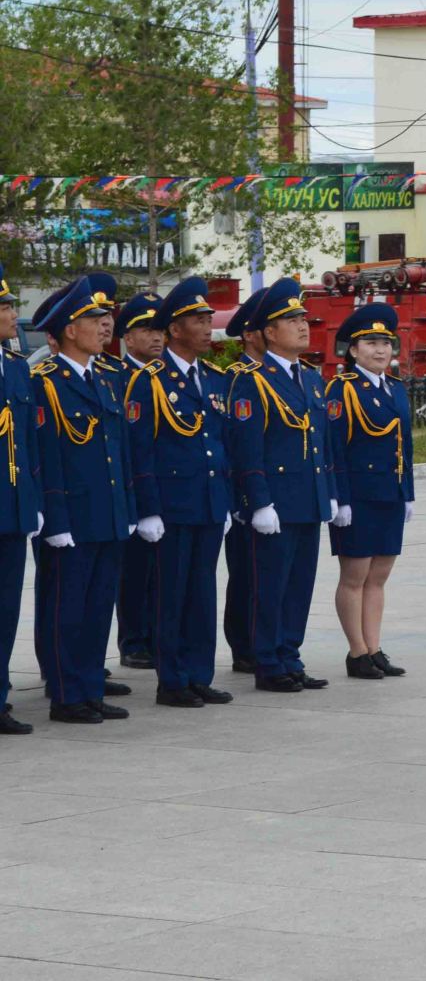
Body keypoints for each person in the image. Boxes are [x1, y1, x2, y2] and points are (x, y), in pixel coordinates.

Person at [124, 278, 235, 708]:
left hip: (207, 502)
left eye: (209, 319)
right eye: (197, 320)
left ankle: (198, 674)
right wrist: (148, 510)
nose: (208, 328)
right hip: (171, 507)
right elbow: (141, 449)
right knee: (170, 594)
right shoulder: (151, 381)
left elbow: (219, 444)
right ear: (173, 330)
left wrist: (224, 499)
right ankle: (172, 680)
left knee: (202, 593)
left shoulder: (212, 378)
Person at [31, 277, 135, 723]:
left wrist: (127, 509)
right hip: (70, 516)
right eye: (94, 319)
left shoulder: (107, 380)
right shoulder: (46, 382)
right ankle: (66, 692)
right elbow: (46, 458)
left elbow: (120, 452)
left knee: (97, 607)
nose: (105, 325)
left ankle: (90, 685)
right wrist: (55, 519)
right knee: (65, 607)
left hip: (106, 512)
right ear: (69, 330)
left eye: (106, 317)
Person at [229, 277, 339, 692]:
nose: (303, 326)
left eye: (303, 319)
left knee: (299, 585)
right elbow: (247, 446)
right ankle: (268, 661)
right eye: (291, 320)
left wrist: (329, 494)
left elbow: (321, 445)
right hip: (275, 501)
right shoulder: (253, 380)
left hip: (306, 499)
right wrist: (258, 502)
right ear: (269, 332)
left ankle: (290, 654)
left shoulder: (311, 379)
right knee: (269, 587)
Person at [326, 304, 414, 680]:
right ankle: (356, 651)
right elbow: (334, 448)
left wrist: (407, 492)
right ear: (353, 349)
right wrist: (340, 499)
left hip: (389, 494)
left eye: (386, 343)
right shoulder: (342, 389)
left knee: (379, 576)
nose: (381, 350)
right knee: (355, 575)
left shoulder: (395, 388)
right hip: (358, 496)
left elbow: (404, 445)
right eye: (371, 343)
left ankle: (374, 648)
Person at [111, 291, 164, 671]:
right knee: (135, 571)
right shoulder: (117, 377)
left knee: (165, 573)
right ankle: (134, 640)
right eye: (147, 329)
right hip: (131, 488)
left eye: (160, 328)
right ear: (128, 337)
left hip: (171, 488)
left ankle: (159, 635)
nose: (157, 336)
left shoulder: (171, 376)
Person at [0, 275, 39, 734]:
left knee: (7, 608)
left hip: (11, 508)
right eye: (6, 307)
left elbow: (28, 443)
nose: (12, 314)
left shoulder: (17, 368)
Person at [221, 291, 267, 673]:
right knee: (247, 574)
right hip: (244, 497)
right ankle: (244, 644)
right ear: (251, 335)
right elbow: (236, 440)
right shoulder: (239, 377)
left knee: (268, 578)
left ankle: (263, 641)